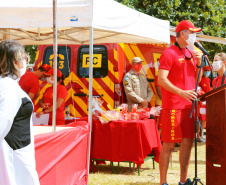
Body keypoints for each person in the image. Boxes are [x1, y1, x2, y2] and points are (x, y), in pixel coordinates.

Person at [158, 20, 203, 185]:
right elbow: (161, 80)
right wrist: (181, 92)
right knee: (169, 145)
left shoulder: (191, 53)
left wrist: (198, 63)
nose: (194, 36)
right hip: (173, 106)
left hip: (189, 107)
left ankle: (183, 181)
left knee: (188, 143)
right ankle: (163, 182)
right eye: (192, 33)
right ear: (183, 34)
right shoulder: (169, 53)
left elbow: (195, 77)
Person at [0, 40, 40, 185]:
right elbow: (3, 122)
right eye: (24, 58)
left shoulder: (9, 84)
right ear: (14, 62)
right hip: (13, 153)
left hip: (18, 149)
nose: (25, 62)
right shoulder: (7, 86)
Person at [197, 66, 211, 142]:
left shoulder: (208, 79)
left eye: (209, 70)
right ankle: (198, 135)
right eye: (206, 70)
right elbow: (199, 90)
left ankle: (202, 134)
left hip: (207, 101)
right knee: (200, 118)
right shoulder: (200, 79)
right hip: (201, 101)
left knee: (204, 119)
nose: (208, 72)